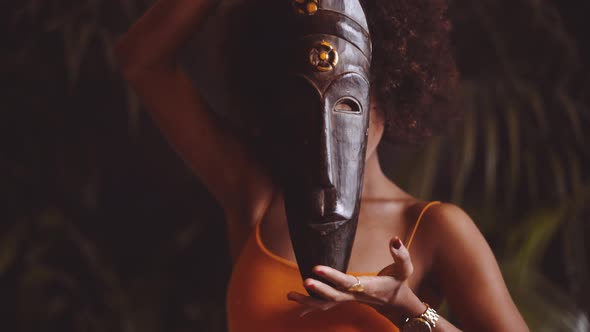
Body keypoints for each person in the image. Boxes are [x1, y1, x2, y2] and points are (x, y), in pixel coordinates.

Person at [115, 0, 530, 331]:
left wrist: (404, 306)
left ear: (391, 89)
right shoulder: (258, 196)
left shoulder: (435, 229)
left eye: (348, 102)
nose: (326, 132)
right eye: (303, 102)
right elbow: (141, 60)